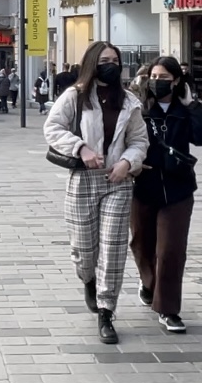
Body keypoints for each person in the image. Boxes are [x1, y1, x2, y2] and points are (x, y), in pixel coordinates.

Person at [44, 41, 148, 345]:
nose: (111, 64)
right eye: (104, 59)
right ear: (92, 62)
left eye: (115, 59)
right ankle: (88, 279)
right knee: (84, 249)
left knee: (113, 247)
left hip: (118, 180)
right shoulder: (75, 96)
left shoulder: (129, 102)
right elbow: (52, 128)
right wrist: (81, 148)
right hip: (83, 179)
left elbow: (139, 140)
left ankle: (106, 311)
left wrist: (128, 163)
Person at [130, 57, 202, 334]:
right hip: (142, 186)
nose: (157, 82)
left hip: (178, 189)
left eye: (164, 77)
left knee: (170, 251)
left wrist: (192, 104)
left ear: (177, 81)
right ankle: (149, 282)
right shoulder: (140, 108)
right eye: (153, 76)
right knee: (142, 244)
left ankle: (168, 309)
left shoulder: (185, 110)